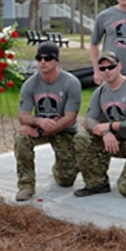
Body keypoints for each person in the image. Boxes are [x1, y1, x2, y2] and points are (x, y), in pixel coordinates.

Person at [73, 51, 126, 197]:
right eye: (102, 69)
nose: (107, 71)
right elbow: (89, 120)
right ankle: (97, 183)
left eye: (111, 67)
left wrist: (110, 126)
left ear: (119, 66)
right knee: (81, 138)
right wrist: (105, 133)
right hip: (113, 142)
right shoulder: (100, 91)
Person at [14, 42, 82, 201]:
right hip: (41, 127)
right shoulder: (30, 84)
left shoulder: (71, 83)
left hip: (64, 131)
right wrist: (38, 121)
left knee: (66, 181)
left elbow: (70, 118)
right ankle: (26, 185)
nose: (42, 62)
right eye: (39, 58)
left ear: (56, 61)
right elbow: (22, 115)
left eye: (48, 58)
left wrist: (39, 130)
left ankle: (60, 168)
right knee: (21, 138)